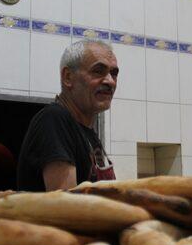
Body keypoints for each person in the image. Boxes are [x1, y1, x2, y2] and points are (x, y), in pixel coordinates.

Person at [17, 39, 118, 191]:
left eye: (114, 73)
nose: (110, 81)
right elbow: (66, 207)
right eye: (98, 71)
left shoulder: (87, 132)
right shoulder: (54, 120)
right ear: (68, 77)